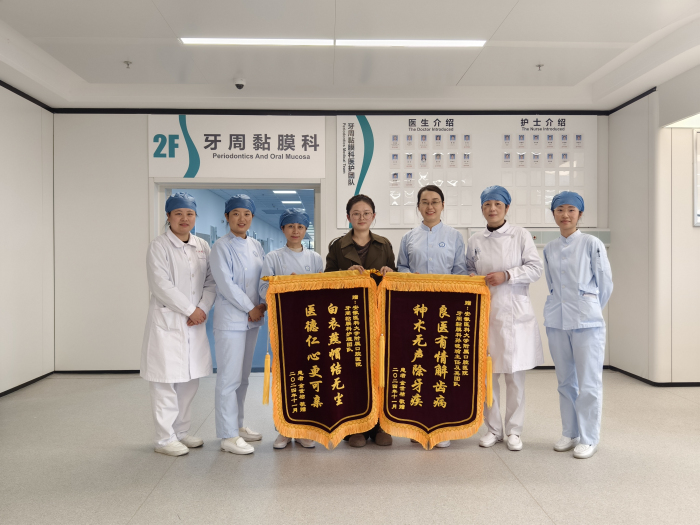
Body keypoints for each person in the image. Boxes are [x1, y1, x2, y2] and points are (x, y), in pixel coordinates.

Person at [466, 186, 544, 452]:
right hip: (485, 315)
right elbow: (468, 269)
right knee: (487, 377)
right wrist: (471, 278)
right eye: (487, 204)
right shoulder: (475, 240)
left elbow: (535, 268)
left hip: (513, 315)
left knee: (514, 376)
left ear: (507, 208)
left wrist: (508, 275)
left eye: (498, 204)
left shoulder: (520, 235)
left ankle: (514, 431)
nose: (492, 209)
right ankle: (493, 429)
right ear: (482, 209)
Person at [141, 192, 215, 456]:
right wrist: (190, 310)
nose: (185, 219)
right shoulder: (159, 246)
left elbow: (211, 282)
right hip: (169, 322)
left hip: (194, 322)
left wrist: (202, 308)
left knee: (189, 381)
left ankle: (181, 432)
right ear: (168, 216)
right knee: (165, 382)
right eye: (178, 214)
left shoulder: (202, 246)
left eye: (190, 214)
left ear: (195, 217)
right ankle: (164, 439)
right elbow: (161, 285)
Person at [397, 184, 468, 448]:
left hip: (444, 311)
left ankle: (442, 425)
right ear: (418, 206)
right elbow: (401, 267)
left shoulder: (454, 236)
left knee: (442, 366)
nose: (430, 206)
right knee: (417, 365)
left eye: (435, 201)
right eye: (425, 202)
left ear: (443, 205)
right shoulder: (409, 238)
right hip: (415, 311)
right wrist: (409, 276)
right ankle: (417, 423)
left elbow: (460, 272)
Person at [543, 191, 612, 459]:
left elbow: (605, 284)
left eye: (571, 210)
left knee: (589, 382)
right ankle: (569, 433)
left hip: (587, 323)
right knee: (565, 382)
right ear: (553, 214)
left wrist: (588, 308)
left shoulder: (592, 243)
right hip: (557, 321)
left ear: (580, 214)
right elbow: (551, 284)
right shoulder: (549, 248)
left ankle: (589, 437)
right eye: (559, 210)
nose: (565, 215)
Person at [325, 194, 397, 447]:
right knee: (352, 371)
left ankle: (379, 426)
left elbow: (394, 278)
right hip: (349, 317)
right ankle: (355, 428)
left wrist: (390, 273)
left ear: (374, 216)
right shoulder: (337, 246)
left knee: (379, 369)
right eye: (356, 213)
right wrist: (344, 274)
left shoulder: (384, 244)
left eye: (366, 213)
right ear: (348, 217)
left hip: (378, 316)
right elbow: (327, 279)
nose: (362, 217)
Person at [259, 208, 323, 450]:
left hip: (309, 324)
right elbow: (263, 289)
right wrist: (287, 284)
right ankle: (284, 430)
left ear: (306, 230)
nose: (295, 231)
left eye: (300, 227)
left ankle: (304, 430)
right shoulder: (273, 258)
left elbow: (323, 289)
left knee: (309, 374)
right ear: (283, 229)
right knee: (285, 376)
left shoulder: (315, 258)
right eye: (290, 226)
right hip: (283, 323)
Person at [210, 194, 267, 455]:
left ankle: (238, 425)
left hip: (253, 319)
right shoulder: (220, 246)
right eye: (236, 214)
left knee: (243, 378)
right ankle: (227, 435)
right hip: (232, 320)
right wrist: (250, 307)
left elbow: (263, 278)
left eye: (246, 214)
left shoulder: (255, 245)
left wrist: (263, 304)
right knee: (229, 378)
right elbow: (226, 284)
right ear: (227, 217)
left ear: (252, 217)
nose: (241, 219)